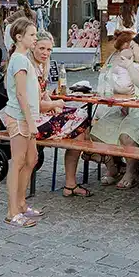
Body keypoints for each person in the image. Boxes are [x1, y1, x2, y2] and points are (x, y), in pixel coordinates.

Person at [91, 34, 139, 189]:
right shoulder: (135, 66)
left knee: (126, 135)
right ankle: (113, 167)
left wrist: (129, 66)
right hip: (130, 108)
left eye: (133, 47)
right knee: (98, 130)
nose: (130, 51)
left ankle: (131, 172)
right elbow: (125, 89)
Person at [29, 32, 92, 198]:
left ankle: (71, 183)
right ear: (33, 46)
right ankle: (73, 179)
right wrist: (55, 104)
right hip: (32, 122)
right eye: (42, 48)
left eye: (49, 49)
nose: (45, 52)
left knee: (81, 121)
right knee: (81, 118)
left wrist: (52, 103)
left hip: (40, 116)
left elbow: (42, 95)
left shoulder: (41, 66)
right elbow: (35, 105)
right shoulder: (29, 69)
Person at [1, 19, 41, 228]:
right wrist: (30, 122)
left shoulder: (24, 59)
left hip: (26, 117)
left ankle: (22, 203)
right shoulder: (19, 60)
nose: (35, 39)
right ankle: (12, 211)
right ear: (19, 37)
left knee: (31, 158)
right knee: (17, 161)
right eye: (32, 35)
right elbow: (20, 93)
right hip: (19, 117)